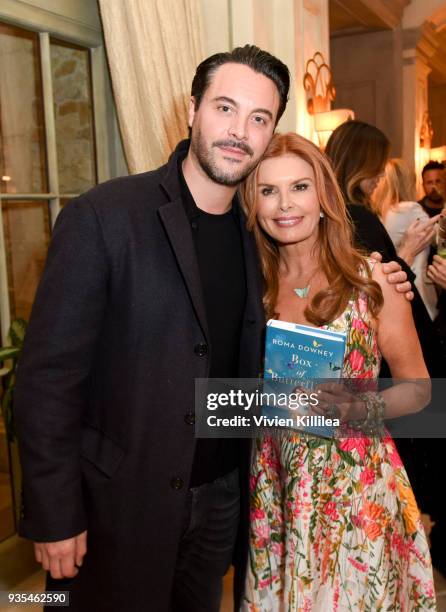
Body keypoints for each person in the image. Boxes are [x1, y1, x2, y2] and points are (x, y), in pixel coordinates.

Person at [13, 46, 409, 612]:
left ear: (272, 130)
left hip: (228, 501)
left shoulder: (264, 240)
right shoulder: (104, 216)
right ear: (193, 109)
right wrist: (55, 515)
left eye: (259, 118)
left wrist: (378, 276)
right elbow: (48, 379)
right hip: (122, 506)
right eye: (225, 108)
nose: (238, 131)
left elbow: (236, 377)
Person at [241, 132, 435, 610]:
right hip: (277, 489)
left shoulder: (371, 281)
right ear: (253, 202)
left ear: (324, 195)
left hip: (356, 491)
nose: (285, 204)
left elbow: (420, 390)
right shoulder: (250, 288)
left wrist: (358, 405)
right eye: (268, 191)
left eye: (300, 187)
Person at [325, 120, 442, 378]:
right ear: (358, 165)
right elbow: (375, 287)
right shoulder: (357, 216)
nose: (381, 175)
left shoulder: (334, 212)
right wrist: (408, 251)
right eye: (376, 166)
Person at [372, 158, 441, 319]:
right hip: (416, 289)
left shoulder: (382, 212)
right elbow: (439, 238)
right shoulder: (410, 209)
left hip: (392, 286)